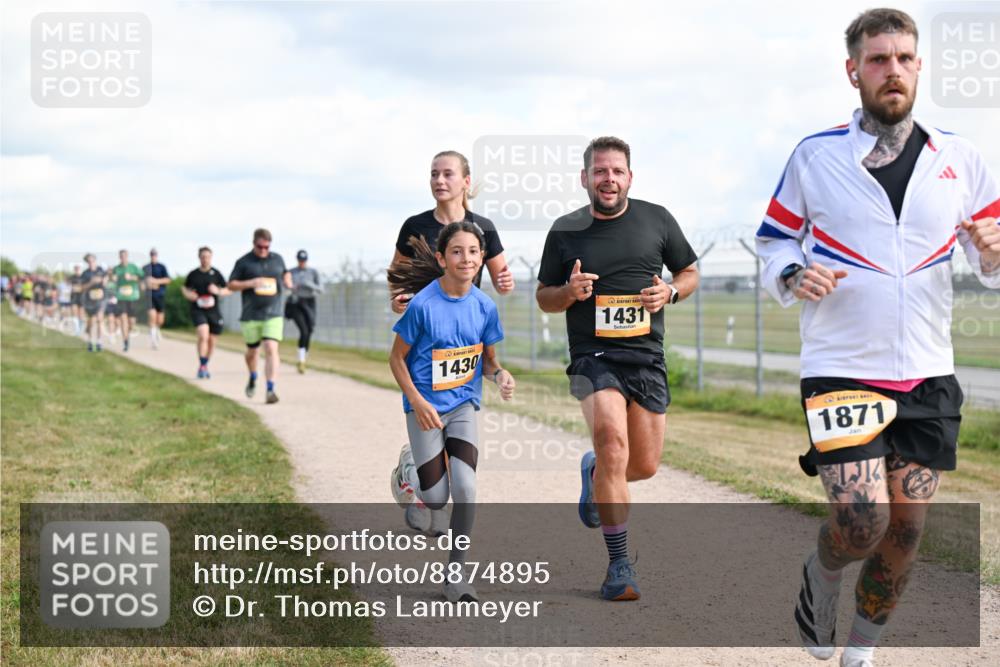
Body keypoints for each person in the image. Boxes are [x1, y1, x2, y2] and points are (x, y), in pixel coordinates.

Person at [754, 9, 1000, 667]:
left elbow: (991, 260)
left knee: (908, 528)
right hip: (841, 367)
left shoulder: (961, 159)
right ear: (853, 70)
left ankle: (859, 653)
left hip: (928, 372)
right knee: (863, 520)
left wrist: (996, 249)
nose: (892, 70)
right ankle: (822, 571)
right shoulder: (816, 155)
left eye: (904, 58)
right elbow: (773, 238)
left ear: (919, 66)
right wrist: (793, 270)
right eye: (878, 59)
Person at [536, 136, 699, 601]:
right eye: (600, 171)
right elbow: (544, 297)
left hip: (646, 357)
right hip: (594, 356)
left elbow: (689, 272)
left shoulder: (658, 219)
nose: (609, 179)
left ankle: (595, 478)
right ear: (585, 178)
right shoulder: (565, 230)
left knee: (642, 466)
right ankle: (619, 565)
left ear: (630, 176)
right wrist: (568, 293)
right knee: (612, 442)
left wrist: (670, 292)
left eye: (617, 171)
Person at [387, 150, 516, 534]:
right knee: (432, 423)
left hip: (463, 337)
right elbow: (396, 278)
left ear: (465, 180)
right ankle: (419, 472)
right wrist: (396, 301)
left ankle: (430, 483)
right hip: (425, 329)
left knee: (457, 429)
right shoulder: (414, 225)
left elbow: (500, 276)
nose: (439, 181)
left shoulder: (484, 227)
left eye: (447, 174)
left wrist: (505, 283)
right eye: (433, 174)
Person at [389, 221, 514, 602]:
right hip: (424, 407)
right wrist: (419, 402)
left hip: (462, 405)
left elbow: (489, 363)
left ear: (481, 258)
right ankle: (410, 471)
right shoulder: (424, 304)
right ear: (442, 258)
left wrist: (501, 376)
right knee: (438, 497)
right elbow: (396, 360)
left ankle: (455, 574)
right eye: (457, 251)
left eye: (474, 251)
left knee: (466, 487)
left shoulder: (484, 307)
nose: (467, 258)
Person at [228, 228, 292, 404]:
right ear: (253, 243)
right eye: (260, 246)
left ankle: (271, 389)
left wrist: (287, 279)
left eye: (267, 247)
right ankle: (253, 375)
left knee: (271, 348)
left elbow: (285, 272)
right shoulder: (243, 262)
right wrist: (251, 283)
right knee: (252, 352)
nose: (263, 250)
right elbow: (231, 285)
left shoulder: (277, 259)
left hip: (274, 313)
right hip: (251, 315)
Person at [182, 247, 231, 379]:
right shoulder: (193, 274)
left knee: (212, 341)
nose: (205, 259)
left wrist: (218, 291)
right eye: (203, 257)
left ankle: (204, 365)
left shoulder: (216, 274)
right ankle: (202, 365)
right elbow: (184, 288)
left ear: (211, 257)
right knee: (203, 334)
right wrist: (189, 295)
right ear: (199, 258)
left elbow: (229, 289)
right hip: (198, 309)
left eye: (207, 257)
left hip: (213, 311)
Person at [286, 249, 323, 373]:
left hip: (309, 302)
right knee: (304, 330)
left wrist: (309, 285)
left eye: (304, 260)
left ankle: (303, 359)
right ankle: (301, 361)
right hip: (296, 302)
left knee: (310, 330)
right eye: (300, 260)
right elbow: (284, 284)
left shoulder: (313, 272)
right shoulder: (291, 272)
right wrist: (291, 286)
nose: (302, 262)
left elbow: (321, 289)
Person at [111, 250, 142, 352]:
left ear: (127, 256)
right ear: (119, 257)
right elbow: (112, 278)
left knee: (131, 322)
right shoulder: (116, 268)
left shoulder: (133, 267)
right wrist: (113, 277)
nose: (123, 258)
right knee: (123, 319)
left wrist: (132, 277)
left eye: (124, 256)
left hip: (132, 297)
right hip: (121, 298)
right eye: (121, 256)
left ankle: (128, 334)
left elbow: (142, 277)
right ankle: (125, 342)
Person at [143, 248, 171, 350]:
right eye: (151, 254)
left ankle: (157, 329)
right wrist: (146, 283)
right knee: (152, 317)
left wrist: (155, 281)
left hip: (160, 296)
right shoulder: (145, 267)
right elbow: (141, 281)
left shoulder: (161, 267)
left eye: (154, 254)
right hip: (149, 296)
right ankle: (153, 341)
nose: (153, 256)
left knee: (160, 320)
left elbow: (168, 280)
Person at [80, 254, 108, 352]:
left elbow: (106, 281)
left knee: (100, 318)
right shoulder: (85, 274)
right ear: (87, 262)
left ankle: (99, 342)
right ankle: (90, 342)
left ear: (95, 260)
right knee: (91, 321)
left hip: (101, 298)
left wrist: (102, 280)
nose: (91, 263)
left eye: (92, 260)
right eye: (89, 261)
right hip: (90, 300)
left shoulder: (101, 270)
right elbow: (82, 288)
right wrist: (91, 282)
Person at [69, 264, 85, 336]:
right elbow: (69, 285)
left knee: (81, 314)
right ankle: (77, 329)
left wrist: (81, 288)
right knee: (74, 312)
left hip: (81, 297)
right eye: (76, 269)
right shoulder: (72, 277)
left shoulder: (84, 277)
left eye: (78, 269)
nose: (77, 270)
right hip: (74, 296)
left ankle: (81, 327)